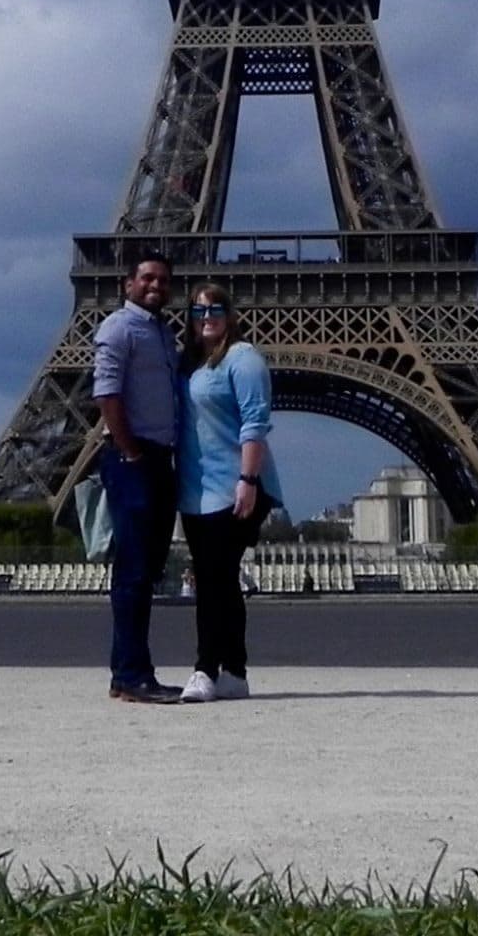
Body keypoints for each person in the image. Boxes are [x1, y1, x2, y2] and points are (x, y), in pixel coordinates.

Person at [175, 284, 281, 704]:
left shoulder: (244, 359)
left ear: (230, 313)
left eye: (215, 308)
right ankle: (234, 672)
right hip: (196, 489)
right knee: (220, 581)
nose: (207, 316)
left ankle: (205, 669)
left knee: (215, 580)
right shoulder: (192, 364)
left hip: (235, 485)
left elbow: (255, 421)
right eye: (199, 310)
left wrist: (248, 480)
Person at [93, 252, 181, 704]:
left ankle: (125, 674)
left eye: (163, 280)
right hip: (135, 459)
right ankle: (132, 674)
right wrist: (129, 451)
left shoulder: (163, 333)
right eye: (147, 278)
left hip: (157, 458)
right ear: (128, 284)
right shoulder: (119, 328)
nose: (156, 286)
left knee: (143, 572)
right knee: (133, 572)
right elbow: (106, 392)